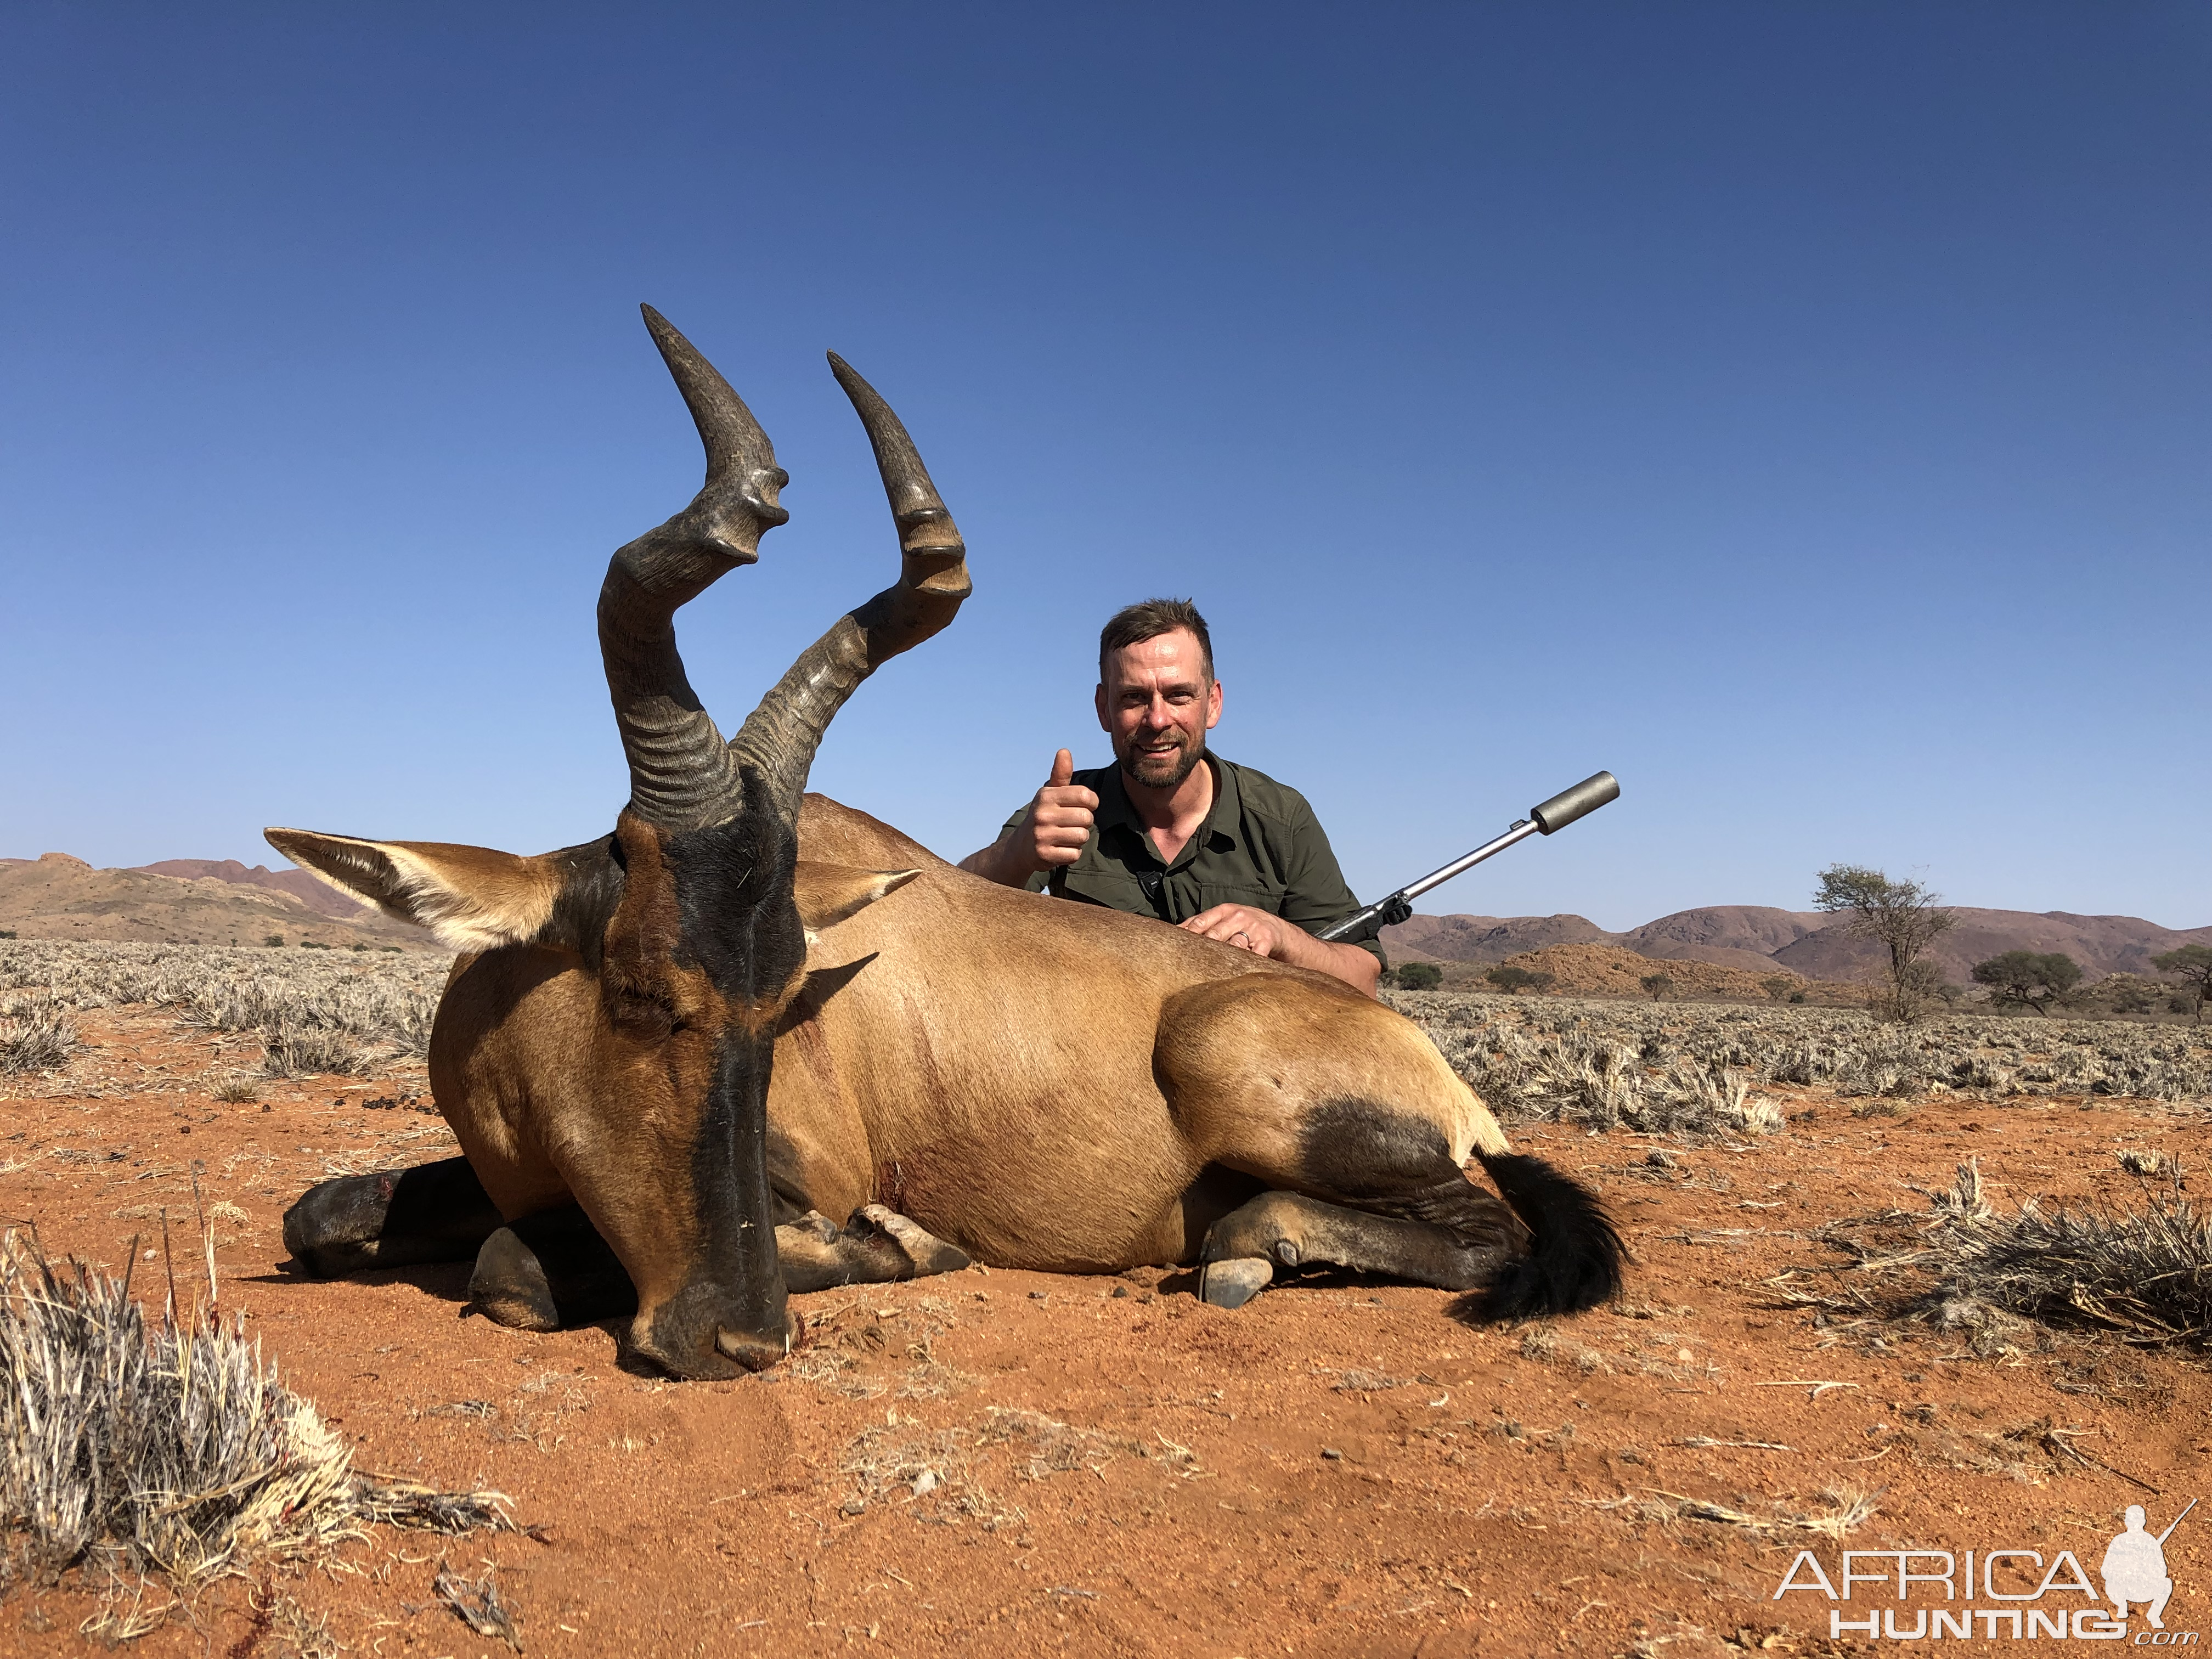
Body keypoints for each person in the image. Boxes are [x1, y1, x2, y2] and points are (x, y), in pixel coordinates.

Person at [959, 598, 1383, 995]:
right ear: (1103, 708)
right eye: (1133, 698)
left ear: (1212, 704)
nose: (1158, 719)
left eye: (1179, 695)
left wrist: (1282, 937)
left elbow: (1363, 978)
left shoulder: (1282, 819)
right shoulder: (1065, 810)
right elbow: (952, 915)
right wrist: (1016, 853)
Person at [2101, 1505, 2175, 1629]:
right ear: (2126, 1522)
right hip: (2122, 1588)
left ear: (2143, 1522)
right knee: (2111, 1582)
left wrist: (2147, 1569)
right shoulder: (2119, 1541)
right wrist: (2124, 1569)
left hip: (2143, 1588)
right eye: (2132, 1521)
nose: (2135, 1524)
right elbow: (2105, 1571)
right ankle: (2122, 1606)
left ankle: (2154, 1615)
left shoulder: (2151, 1542)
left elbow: (2162, 1570)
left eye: (2137, 1521)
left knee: (2166, 1583)